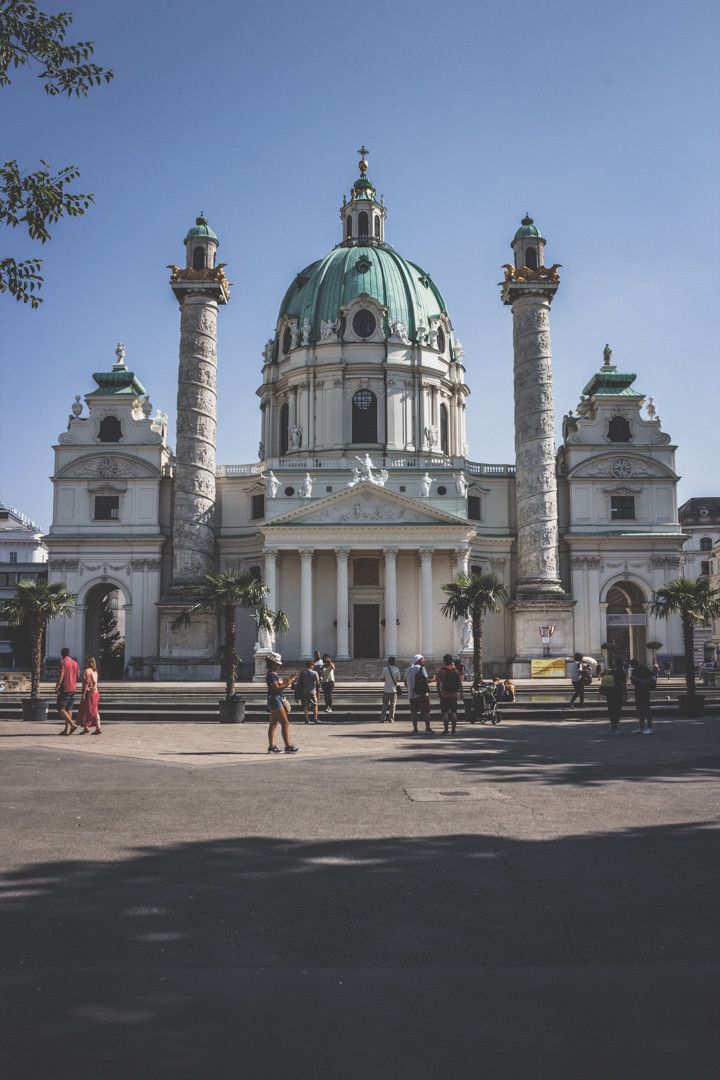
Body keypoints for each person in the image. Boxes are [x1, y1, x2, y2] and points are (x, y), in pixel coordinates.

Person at [265, 656, 299, 753]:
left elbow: (280, 686)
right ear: (272, 663)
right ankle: (288, 746)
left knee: (274, 724)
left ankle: (272, 746)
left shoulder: (275, 674)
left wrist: (290, 680)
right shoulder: (271, 675)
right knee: (285, 723)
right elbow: (277, 688)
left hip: (276, 698)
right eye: (277, 663)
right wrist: (288, 682)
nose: (279, 665)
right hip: (274, 698)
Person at [405, 654, 433, 734]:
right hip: (422, 694)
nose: (423, 661)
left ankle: (415, 729)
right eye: (422, 659)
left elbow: (405, 682)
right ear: (418, 661)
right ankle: (427, 728)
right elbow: (426, 680)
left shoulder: (408, 669)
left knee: (414, 712)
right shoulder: (421, 668)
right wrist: (434, 679)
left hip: (411, 695)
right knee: (426, 711)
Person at [55, 647, 80, 735]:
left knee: (60, 708)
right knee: (69, 708)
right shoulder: (75, 663)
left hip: (65, 688)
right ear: (69, 654)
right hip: (73, 688)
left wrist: (57, 685)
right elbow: (78, 675)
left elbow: (61, 674)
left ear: (62, 654)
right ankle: (66, 730)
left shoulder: (62, 662)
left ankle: (72, 725)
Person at [436, 653, 462, 734]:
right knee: (454, 712)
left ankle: (446, 730)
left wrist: (439, 692)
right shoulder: (456, 671)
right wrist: (461, 693)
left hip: (444, 695)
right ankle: (453, 730)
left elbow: (438, 683)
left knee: (445, 712)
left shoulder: (442, 671)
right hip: (454, 695)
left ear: (444, 661)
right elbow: (460, 683)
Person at [77, 656, 102, 734]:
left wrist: (83, 694)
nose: (84, 663)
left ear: (88, 663)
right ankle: (96, 727)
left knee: (85, 710)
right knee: (94, 710)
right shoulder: (95, 671)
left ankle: (87, 727)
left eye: (85, 662)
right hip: (96, 693)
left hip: (89, 693)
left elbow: (86, 684)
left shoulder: (87, 671)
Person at [600, 660, 627, 732]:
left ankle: (613, 726)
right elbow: (623, 685)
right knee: (617, 710)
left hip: (609, 693)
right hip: (618, 693)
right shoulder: (621, 673)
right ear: (622, 665)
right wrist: (625, 695)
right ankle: (615, 727)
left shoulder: (611, 672)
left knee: (611, 709)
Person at [631, 661, 655, 734]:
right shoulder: (635, 670)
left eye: (633, 665)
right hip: (638, 691)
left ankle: (650, 728)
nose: (632, 667)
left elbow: (652, 679)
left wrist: (639, 680)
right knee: (640, 710)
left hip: (644, 691)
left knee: (646, 709)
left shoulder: (644, 669)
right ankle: (642, 728)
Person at [380, 656, 402, 722]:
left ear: (388, 662)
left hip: (386, 689)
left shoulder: (385, 669)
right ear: (394, 662)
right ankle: (391, 719)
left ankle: (382, 719)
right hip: (394, 690)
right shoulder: (396, 669)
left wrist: (387, 679)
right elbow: (399, 679)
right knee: (393, 705)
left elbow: (382, 678)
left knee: (384, 705)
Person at [299, 660, 321, 724]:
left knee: (305, 706)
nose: (314, 666)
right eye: (313, 665)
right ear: (311, 665)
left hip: (304, 691)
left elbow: (300, 682)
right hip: (312, 691)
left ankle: (307, 719)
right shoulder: (314, 673)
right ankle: (315, 719)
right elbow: (318, 683)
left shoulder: (303, 672)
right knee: (315, 705)